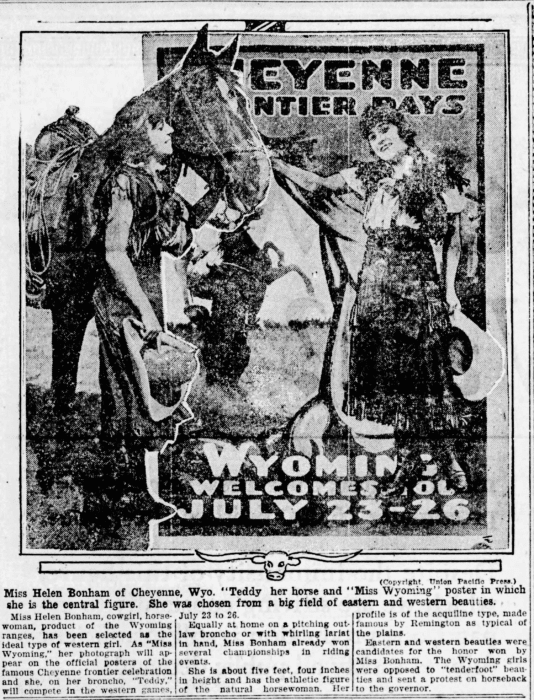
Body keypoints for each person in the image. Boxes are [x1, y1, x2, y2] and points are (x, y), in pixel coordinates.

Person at [272, 104, 469, 493]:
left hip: (416, 280)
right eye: (372, 136)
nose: (379, 141)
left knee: (427, 372)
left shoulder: (431, 170)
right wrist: (276, 166)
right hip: (376, 279)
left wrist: (449, 290)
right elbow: (320, 186)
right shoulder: (368, 174)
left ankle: (449, 458)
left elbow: (451, 238)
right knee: (388, 374)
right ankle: (409, 464)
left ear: (403, 132)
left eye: (385, 132)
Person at [91, 96, 220, 510]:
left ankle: (140, 488)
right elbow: (114, 252)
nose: (170, 133)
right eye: (159, 127)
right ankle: (122, 493)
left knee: (151, 384)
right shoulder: (123, 182)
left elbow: (173, 237)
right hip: (122, 297)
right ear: (139, 136)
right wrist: (145, 313)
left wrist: (215, 192)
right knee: (127, 388)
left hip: (146, 293)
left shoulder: (154, 182)